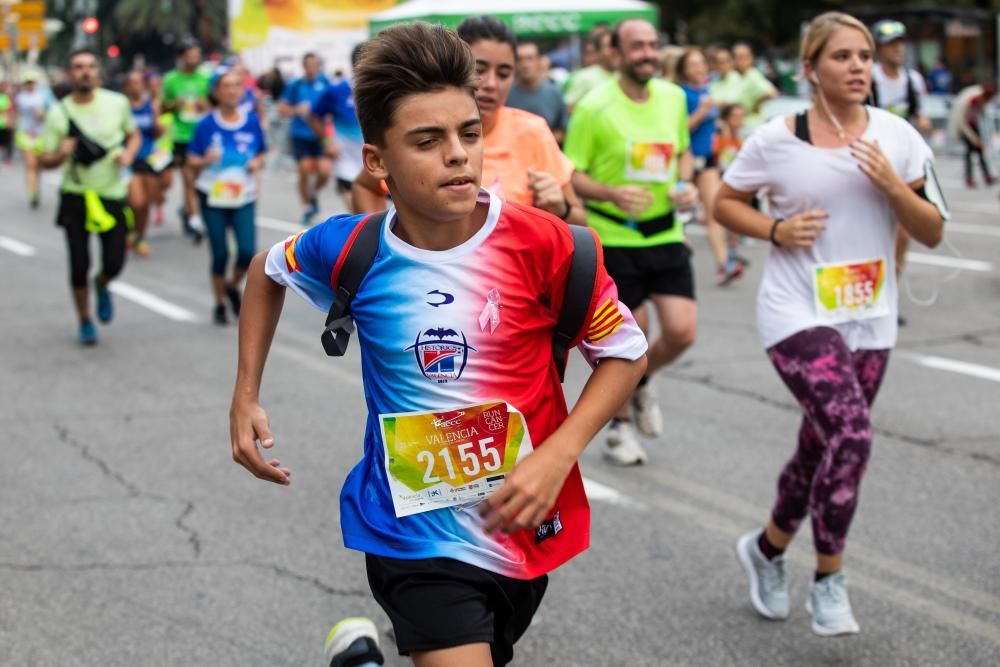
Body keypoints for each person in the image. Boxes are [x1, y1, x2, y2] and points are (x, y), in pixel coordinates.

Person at [230, 22, 647, 667]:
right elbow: (266, 271)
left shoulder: (547, 243)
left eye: (469, 134)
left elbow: (624, 351)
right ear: (377, 162)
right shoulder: (351, 248)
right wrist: (245, 396)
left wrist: (558, 455)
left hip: (518, 522)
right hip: (408, 532)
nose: (458, 154)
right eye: (428, 141)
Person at [714, 12, 945, 637]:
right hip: (796, 312)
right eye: (842, 56)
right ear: (811, 68)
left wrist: (894, 187)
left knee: (822, 445)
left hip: (870, 317)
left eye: (865, 56)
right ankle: (829, 579)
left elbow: (933, 228)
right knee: (853, 434)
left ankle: (764, 549)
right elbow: (724, 202)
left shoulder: (898, 138)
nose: (858, 67)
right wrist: (776, 230)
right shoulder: (774, 139)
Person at [564, 18, 699, 465]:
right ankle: (620, 429)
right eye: (636, 46)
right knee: (630, 337)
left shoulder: (674, 97)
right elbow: (573, 175)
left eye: (652, 44)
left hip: (665, 230)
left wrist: (686, 183)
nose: (647, 52)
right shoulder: (593, 107)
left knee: (681, 330)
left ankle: (640, 382)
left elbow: (681, 152)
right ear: (616, 55)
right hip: (615, 236)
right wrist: (611, 193)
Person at [351, 16, 586, 227]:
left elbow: (580, 223)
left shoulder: (532, 131)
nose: (491, 83)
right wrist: (382, 251)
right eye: (479, 69)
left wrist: (560, 208)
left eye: (504, 73)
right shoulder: (412, 132)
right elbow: (366, 184)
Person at [37, 49, 140, 346]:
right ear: (70, 73)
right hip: (76, 195)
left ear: (97, 72)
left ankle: (103, 283)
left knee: (115, 261)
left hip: (111, 194)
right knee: (78, 264)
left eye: (90, 66)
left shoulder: (117, 103)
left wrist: (129, 154)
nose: (85, 71)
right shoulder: (58, 112)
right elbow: (44, 159)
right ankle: (84, 319)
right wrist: (60, 153)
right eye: (78, 66)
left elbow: (132, 135)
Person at [187, 68, 267, 325]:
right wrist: (205, 160)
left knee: (247, 252)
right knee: (220, 254)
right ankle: (220, 303)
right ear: (216, 92)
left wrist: (256, 162)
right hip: (213, 196)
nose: (232, 90)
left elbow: (263, 152)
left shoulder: (251, 121)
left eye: (236, 85)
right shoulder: (205, 125)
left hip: (243, 195)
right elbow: (191, 161)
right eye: (226, 86)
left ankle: (232, 286)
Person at [676, 47, 741, 286]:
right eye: (693, 64)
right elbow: (680, 129)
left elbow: (709, 124)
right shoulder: (680, 95)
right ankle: (678, 247)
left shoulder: (706, 90)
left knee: (715, 211)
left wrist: (720, 125)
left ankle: (724, 264)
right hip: (686, 160)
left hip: (709, 160)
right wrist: (702, 112)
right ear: (683, 69)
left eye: (702, 63)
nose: (699, 68)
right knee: (680, 211)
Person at [162, 37, 211, 240]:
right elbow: (163, 107)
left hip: (203, 135)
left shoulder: (206, 78)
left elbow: (216, 105)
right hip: (181, 136)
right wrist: (175, 104)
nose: (194, 59)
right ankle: (193, 219)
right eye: (190, 55)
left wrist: (204, 105)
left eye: (197, 55)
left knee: (200, 180)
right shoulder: (171, 80)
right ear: (181, 57)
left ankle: (188, 210)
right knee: (188, 179)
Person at [308, 44, 365, 213]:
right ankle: (312, 195)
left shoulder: (382, 91)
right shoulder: (336, 91)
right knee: (360, 217)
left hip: (374, 164)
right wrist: (327, 143)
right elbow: (313, 117)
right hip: (345, 163)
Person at [281, 52, 332, 225]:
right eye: (309, 64)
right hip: (300, 135)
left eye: (315, 64)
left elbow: (332, 107)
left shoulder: (325, 83)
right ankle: (306, 207)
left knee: (325, 171)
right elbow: (282, 110)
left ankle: (312, 193)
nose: (312, 68)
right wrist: (296, 110)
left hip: (320, 135)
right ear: (304, 66)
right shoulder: (295, 85)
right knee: (304, 169)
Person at [124, 70, 167, 257]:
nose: (136, 86)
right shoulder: (122, 106)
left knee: (146, 203)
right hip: (130, 159)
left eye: (139, 82)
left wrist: (159, 127)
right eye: (132, 82)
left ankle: (140, 236)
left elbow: (157, 132)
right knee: (136, 201)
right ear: (126, 86)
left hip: (149, 158)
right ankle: (129, 229)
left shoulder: (152, 106)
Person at [870, 20, 931, 132]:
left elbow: (922, 116)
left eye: (901, 43)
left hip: (904, 142)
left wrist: (925, 124)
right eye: (891, 44)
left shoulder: (914, 79)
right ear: (878, 48)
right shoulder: (869, 76)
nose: (898, 48)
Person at [507, 40, 569, 143]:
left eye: (530, 58)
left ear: (539, 61)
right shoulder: (505, 94)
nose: (525, 64)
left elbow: (563, 130)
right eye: (519, 59)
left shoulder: (554, 93)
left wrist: (541, 141)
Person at [711, 42, 778, 133]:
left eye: (743, 57)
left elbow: (772, 93)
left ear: (751, 58)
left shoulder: (751, 74)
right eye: (737, 57)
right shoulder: (739, 76)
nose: (740, 61)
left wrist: (756, 105)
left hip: (750, 126)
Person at [15, 70, 54, 207]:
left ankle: (36, 188)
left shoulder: (44, 95)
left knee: (38, 165)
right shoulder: (20, 97)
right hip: (25, 135)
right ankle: (32, 193)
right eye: (27, 82)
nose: (29, 85)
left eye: (31, 82)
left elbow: (55, 113)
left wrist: (44, 114)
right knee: (30, 164)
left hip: (41, 135)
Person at [948, 81, 997, 189]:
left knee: (978, 151)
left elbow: (981, 116)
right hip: (964, 127)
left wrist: (981, 138)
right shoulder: (970, 100)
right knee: (970, 152)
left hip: (972, 125)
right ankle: (970, 178)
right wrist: (973, 138)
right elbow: (962, 122)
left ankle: (986, 176)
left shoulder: (980, 99)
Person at [563, 31, 617, 112]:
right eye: (607, 46)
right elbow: (570, 105)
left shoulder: (625, 76)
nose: (612, 50)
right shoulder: (584, 77)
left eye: (614, 45)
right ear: (598, 51)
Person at [0, 81, 13, 164]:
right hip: (3, 123)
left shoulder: (6, 98)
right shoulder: (5, 98)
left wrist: (9, 122)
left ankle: (7, 158)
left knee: (7, 142)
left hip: (4, 123)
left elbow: (8, 111)